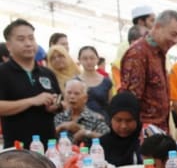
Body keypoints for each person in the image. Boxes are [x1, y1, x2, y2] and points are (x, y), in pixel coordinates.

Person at [0, 19, 62, 148]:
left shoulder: (47, 73)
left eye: (31, 38)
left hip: (49, 146)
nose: (28, 43)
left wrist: (56, 105)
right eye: (21, 39)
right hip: (18, 148)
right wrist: (32, 101)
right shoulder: (3, 72)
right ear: (9, 46)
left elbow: (61, 100)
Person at [120, 10, 177, 132]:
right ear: (158, 27)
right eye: (173, 34)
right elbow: (130, 101)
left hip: (159, 131)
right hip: (145, 133)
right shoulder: (138, 54)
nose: (176, 41)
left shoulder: (160, 53)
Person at [53, 79, 110, 145]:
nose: (72, 96)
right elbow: (47, 137)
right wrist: (61, 127)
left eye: (76, 93)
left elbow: (108, 138)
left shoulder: (94, 118)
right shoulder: (59, 116)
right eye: (69, 93)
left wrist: (86, 133)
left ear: (85, 98)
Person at [100, 91, 142, 167]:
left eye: (129, 120)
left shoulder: (145, 141)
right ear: (110, 119)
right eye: (118, 120)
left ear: (137, 119)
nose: (123, 126)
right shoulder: (100, 146)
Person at [76, 45, 112, 115]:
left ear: (97, 59)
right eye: (85, 59)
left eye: (92, 58)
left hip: (103, 122)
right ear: (79, 60)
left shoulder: (106, 81)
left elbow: (110, 104)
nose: (89, 61)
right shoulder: (74, 82)